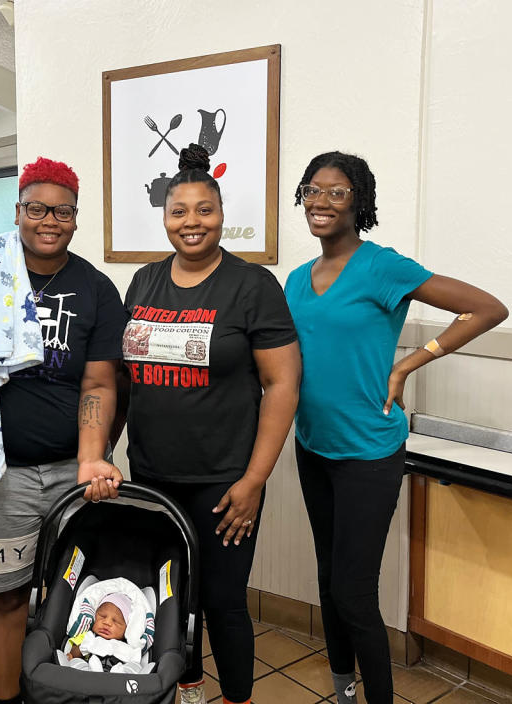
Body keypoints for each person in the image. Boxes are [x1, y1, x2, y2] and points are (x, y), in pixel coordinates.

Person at [284, 151, 509, 704]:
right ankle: (343, 690)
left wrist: (409, 363)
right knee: (328, 579)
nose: (321, 202)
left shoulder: (382, 267)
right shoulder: (296, 279)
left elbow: (486, 309)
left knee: (354, 592)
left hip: (368, 454)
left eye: (337, 192)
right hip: (312, 446)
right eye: (313, 190)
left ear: (358, 202)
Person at [0, 157, 127, 704]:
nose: (49, 221)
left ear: (76, 219)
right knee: (9, 598)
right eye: (37, 208)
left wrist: (91, 458)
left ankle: (69, 687)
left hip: (70, 470)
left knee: (74, 592)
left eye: (63, 212)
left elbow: (99, 382)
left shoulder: (95, 288)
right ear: (17, 211)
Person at [122, 145, 301, 704]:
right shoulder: (144, 282)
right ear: (164, 217)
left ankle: (237, 698)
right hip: (152, 474)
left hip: (225, 480)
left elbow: (282, 385)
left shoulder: (252, 285)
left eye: (205, 210)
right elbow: (122, 377)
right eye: (179, 211)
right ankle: (188, 687)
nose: (191, 222)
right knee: (170, 596)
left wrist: (254, 481)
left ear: (222, 215)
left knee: (222, 601)